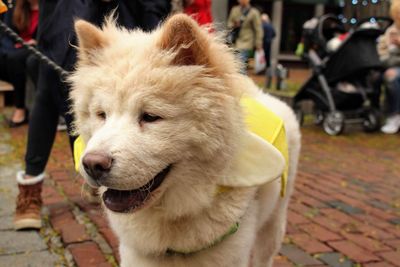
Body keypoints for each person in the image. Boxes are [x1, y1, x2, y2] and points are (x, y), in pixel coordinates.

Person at [14, 0, 171, 230]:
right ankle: (31, 185)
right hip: (65, 12)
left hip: (129, 11)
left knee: (120, 97)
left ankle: (96, 175)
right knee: (52, 88)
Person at [0, 0, 38, 127]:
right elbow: (6, 36)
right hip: (16, 49)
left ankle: (20, 108)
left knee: (15, 59)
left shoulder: (48, 9)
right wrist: (20, 45)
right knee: (10, 58)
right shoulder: (15, 8)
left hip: (37, 50)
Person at [378, 1, 400, 134]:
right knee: (390, 76)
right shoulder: (390, 32)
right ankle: (393, 115)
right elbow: (383, 57)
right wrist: (391, 48)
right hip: (393, 66)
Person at [227, 0, 263, 74]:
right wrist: (234, 25)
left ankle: (241, 81)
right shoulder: (234, 10)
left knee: (240, 64)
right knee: (235, 65)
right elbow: (229, 23)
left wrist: (258, 43)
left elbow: (258, 29)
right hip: (235, 41)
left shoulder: (254, 12)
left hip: (246, 41)